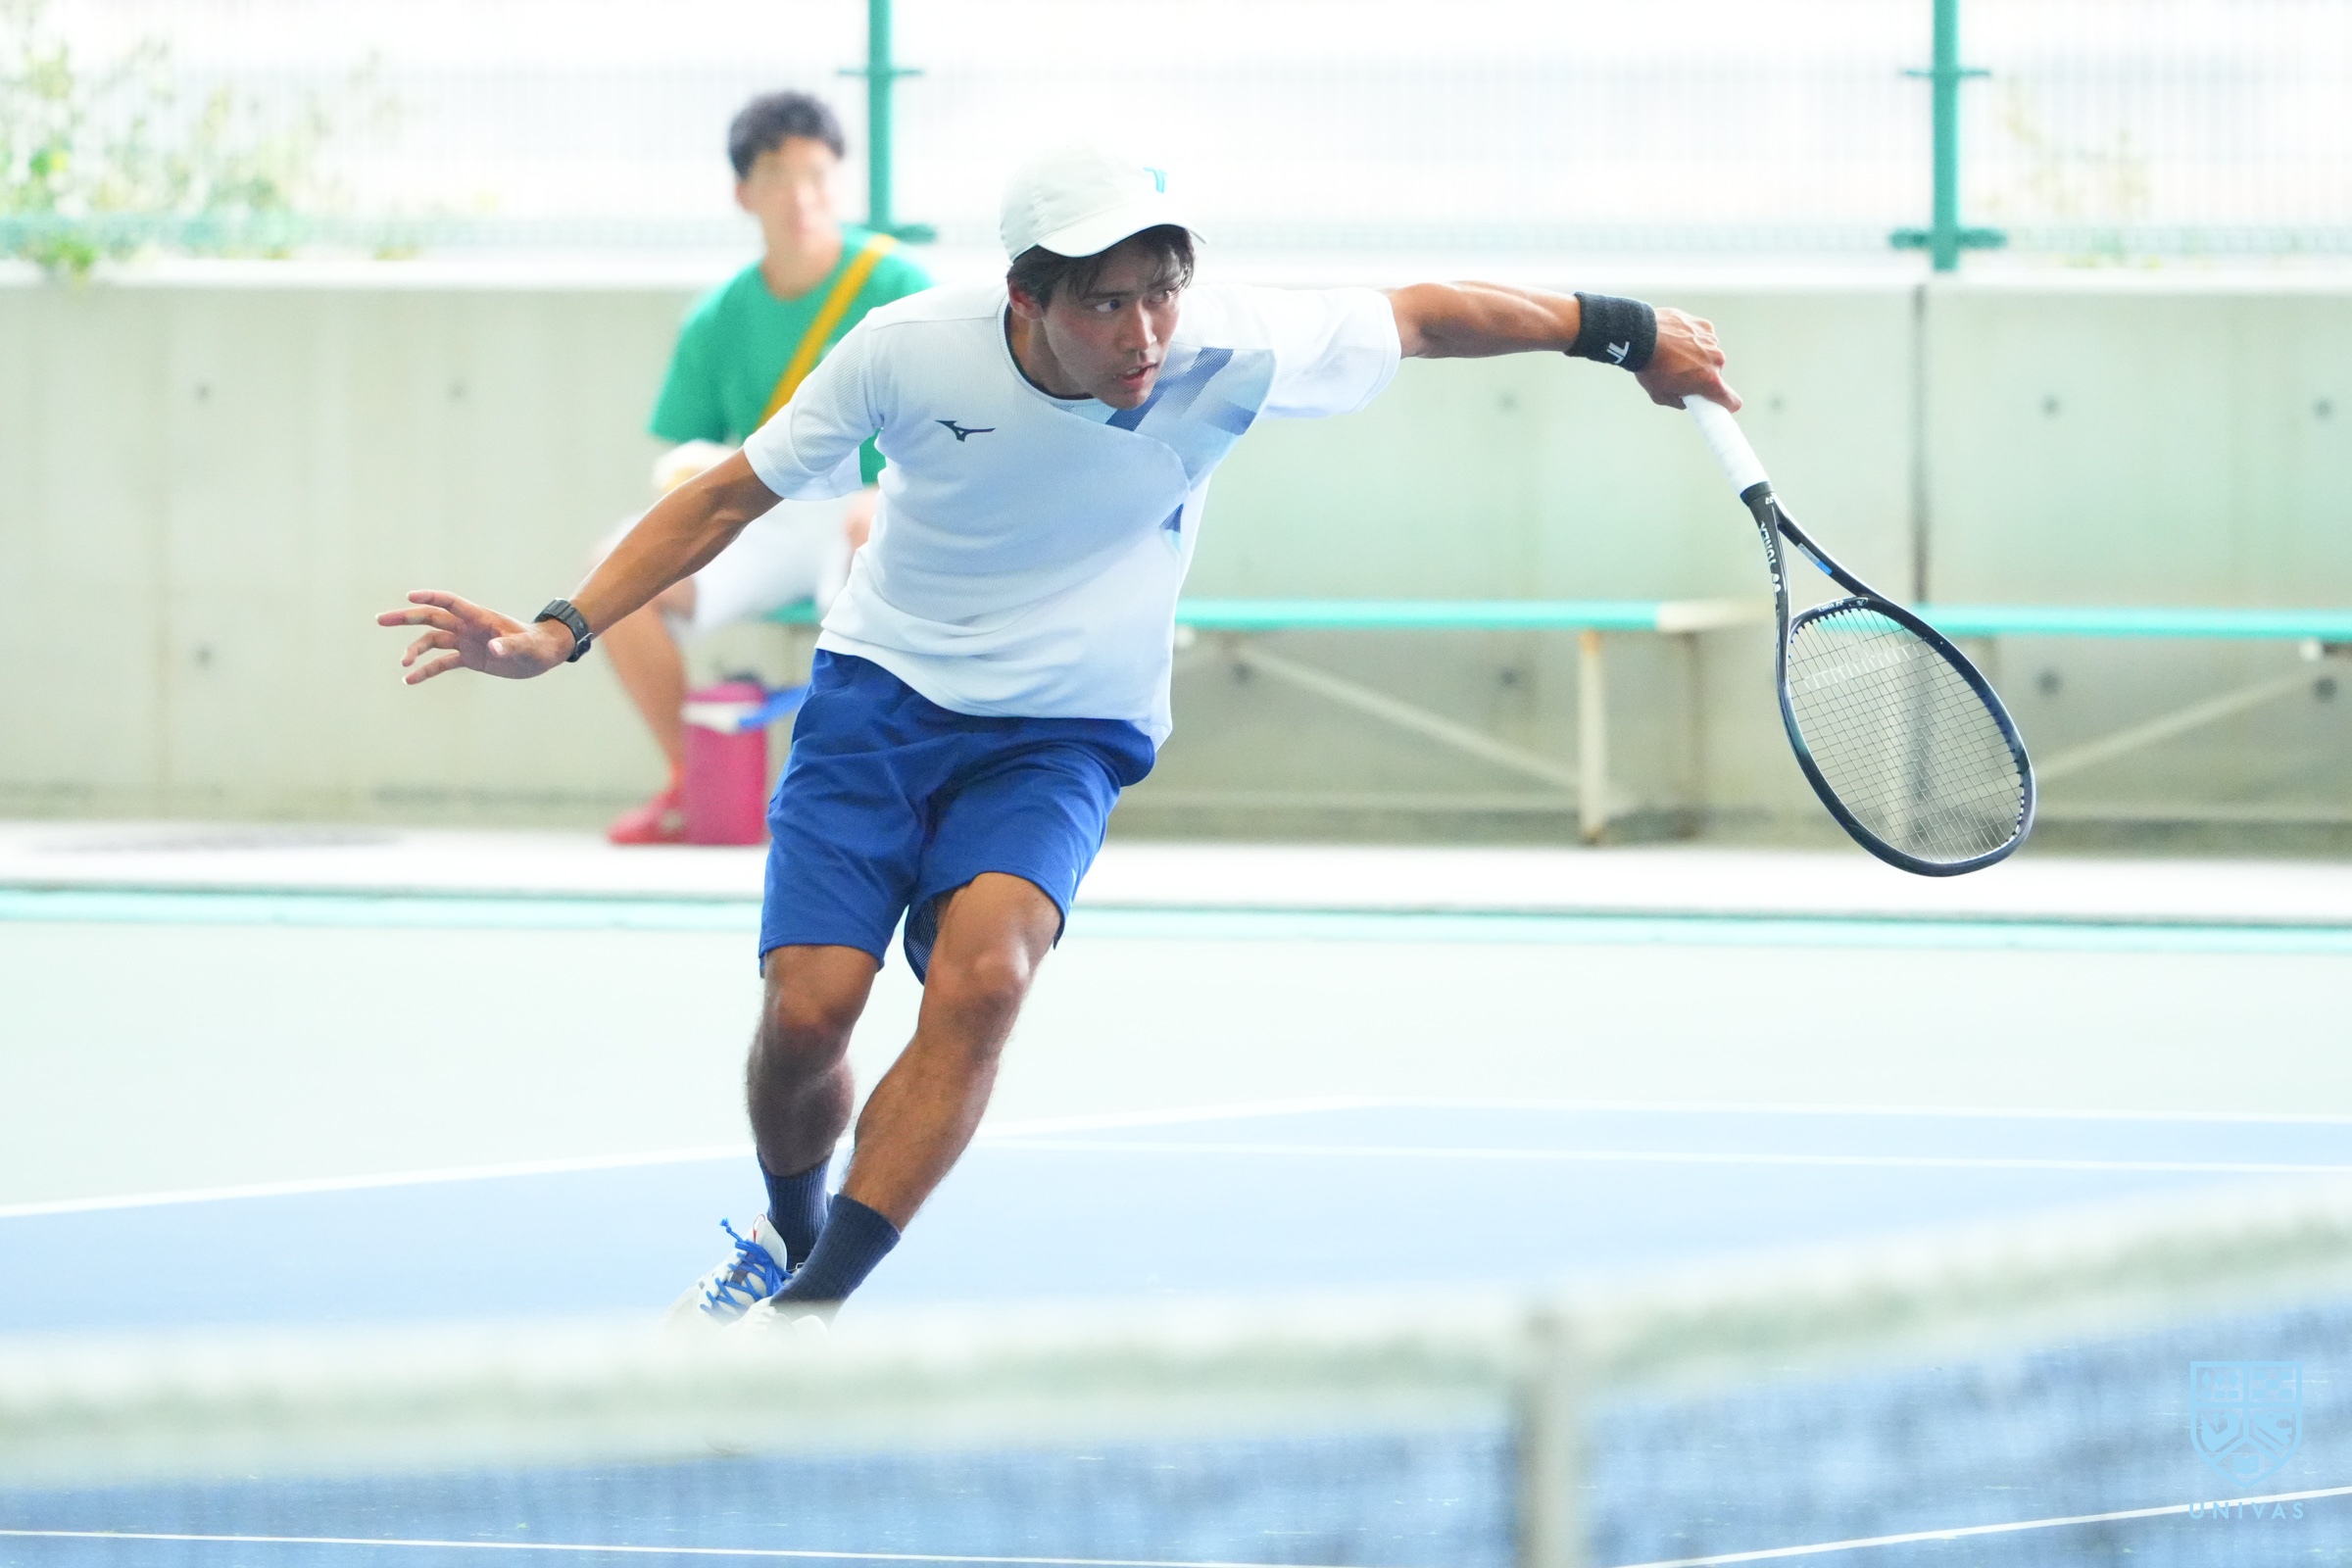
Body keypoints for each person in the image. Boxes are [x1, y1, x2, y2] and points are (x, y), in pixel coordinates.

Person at [377, 146, 1739, 1327]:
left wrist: (1624, 334)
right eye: (1106, 302)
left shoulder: (1230, 343)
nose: (1144, 331)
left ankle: (811, 1310)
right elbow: (730, 495)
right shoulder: (910, 350)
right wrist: (560, 630)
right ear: (1028, 298)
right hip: (881, 698)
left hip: (1067, 730)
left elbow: (1429, 317)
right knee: (808, 1017)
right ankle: (789, 1231)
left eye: (1161, 290)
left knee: (987, 980)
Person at [601, 89, 933, 845]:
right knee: (617, 568)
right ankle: (696, 781)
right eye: (778, 176)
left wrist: (890, 492)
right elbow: (691, 457)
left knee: (871, 552)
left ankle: (881, 798)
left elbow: (955, 430)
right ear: (744, 192)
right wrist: (694, 474)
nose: (801, 196)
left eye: (817, 174)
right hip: (769, 510)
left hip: (881, 511)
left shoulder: (904, 288)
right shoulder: (717, 316)